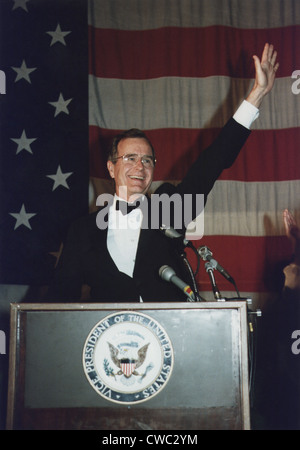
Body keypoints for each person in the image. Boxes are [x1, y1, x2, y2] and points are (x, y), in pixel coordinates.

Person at [46, 43, 279, 303]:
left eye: (147, 160)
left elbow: (211, 163)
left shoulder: (167, 210)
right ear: (111, 168)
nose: (140, 166)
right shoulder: (82, 231)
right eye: (130, 158)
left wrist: (256, 94)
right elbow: (59, 300)